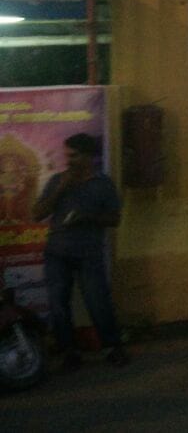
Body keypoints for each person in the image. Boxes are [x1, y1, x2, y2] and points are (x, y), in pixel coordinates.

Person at [31, 133, 128, 370]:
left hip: (88, 254)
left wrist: (89, 217)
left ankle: (113, 348)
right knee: (58, 305)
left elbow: (114, 219)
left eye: (73, 156)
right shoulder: (57, 181)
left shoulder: (103, 184)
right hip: (57, 254)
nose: (69, 160)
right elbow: (37, 214)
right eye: (67, 155)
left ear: (89, 157)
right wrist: (60, 190)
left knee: (98, 302)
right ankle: (69, 353)